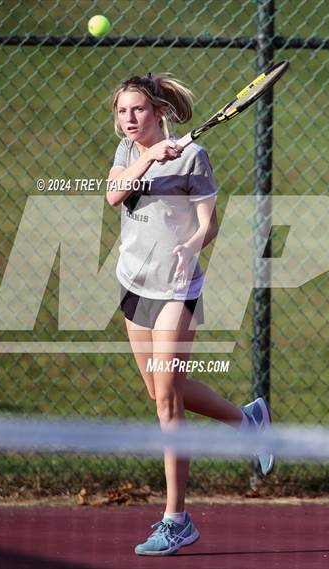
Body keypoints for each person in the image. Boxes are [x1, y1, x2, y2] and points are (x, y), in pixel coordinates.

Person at [106, 72, 273, 557]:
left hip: (177, 290)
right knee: (160, 391)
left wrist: (192, 243)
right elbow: (113, 194)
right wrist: (147, 157)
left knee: (167, 405)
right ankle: (247, 421)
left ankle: (176, 520)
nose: (129, 119)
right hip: (134, 285)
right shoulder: (127, 150)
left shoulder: (194, 156)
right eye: (122, 111)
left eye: (138, 110)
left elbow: (209, 224)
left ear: (160, 112)